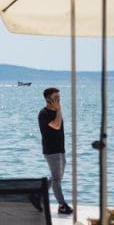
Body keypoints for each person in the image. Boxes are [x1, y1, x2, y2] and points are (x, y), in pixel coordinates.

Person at [38, 87, 74, 215]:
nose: (59, 100)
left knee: (56, 178)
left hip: (60, 149)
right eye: (56, 98)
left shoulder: (56, 112)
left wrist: (58, 110)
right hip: (51, 150)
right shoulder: (44, 113)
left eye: (59, 97)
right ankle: (62, 205)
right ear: (48, 99)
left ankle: (37, 195)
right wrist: (59, 110)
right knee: (56, 179)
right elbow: (56, 125)